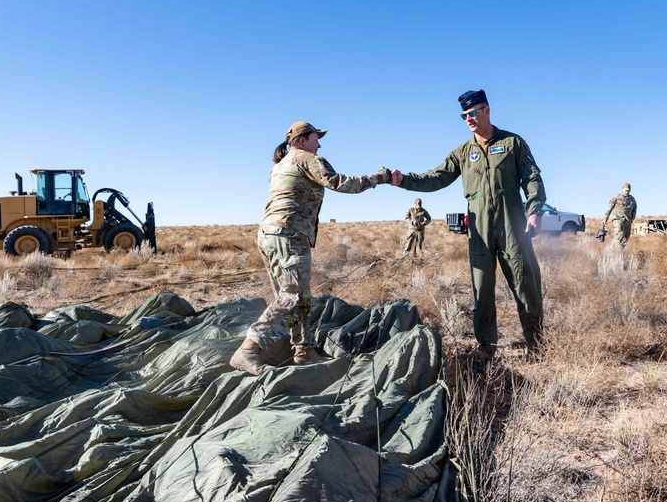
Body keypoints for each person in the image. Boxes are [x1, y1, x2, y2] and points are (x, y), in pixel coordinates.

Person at [389, 89, 545, 360]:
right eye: (464, 116)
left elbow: (531, 177)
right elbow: (435, 178)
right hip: (479, 229)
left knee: (525, 284)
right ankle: (486, 346)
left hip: (512, 225)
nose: (468, 119)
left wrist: (534, 211)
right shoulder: (463, 152)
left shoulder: (512, 143)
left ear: (486, 110)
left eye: (473, 113)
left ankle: (536, 342)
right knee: (481, 288)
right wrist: (405, 180)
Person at [230, 121, 392, 375]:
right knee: (292, 297)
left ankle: (303, 350)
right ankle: (248, 350)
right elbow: (341, 183)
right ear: (303, 140)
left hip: (271, 234)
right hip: (288, 235)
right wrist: (378, 178)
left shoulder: (280, 165)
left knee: (297, 298)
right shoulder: (307, 159)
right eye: (317, 138)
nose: (320, 143)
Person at [602, 183, 637, 248]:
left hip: (627, 221)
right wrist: (605, 219)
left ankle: (620, 252)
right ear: (622, 189)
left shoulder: (632, 199)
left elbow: (634, 211)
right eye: (626, 190)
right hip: (617, 218)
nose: (627, 192)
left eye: (628, 190)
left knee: (625, 238)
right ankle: (613, 250)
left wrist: (631, 220)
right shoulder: (616, 197)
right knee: (619, 234)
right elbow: (609, 208)